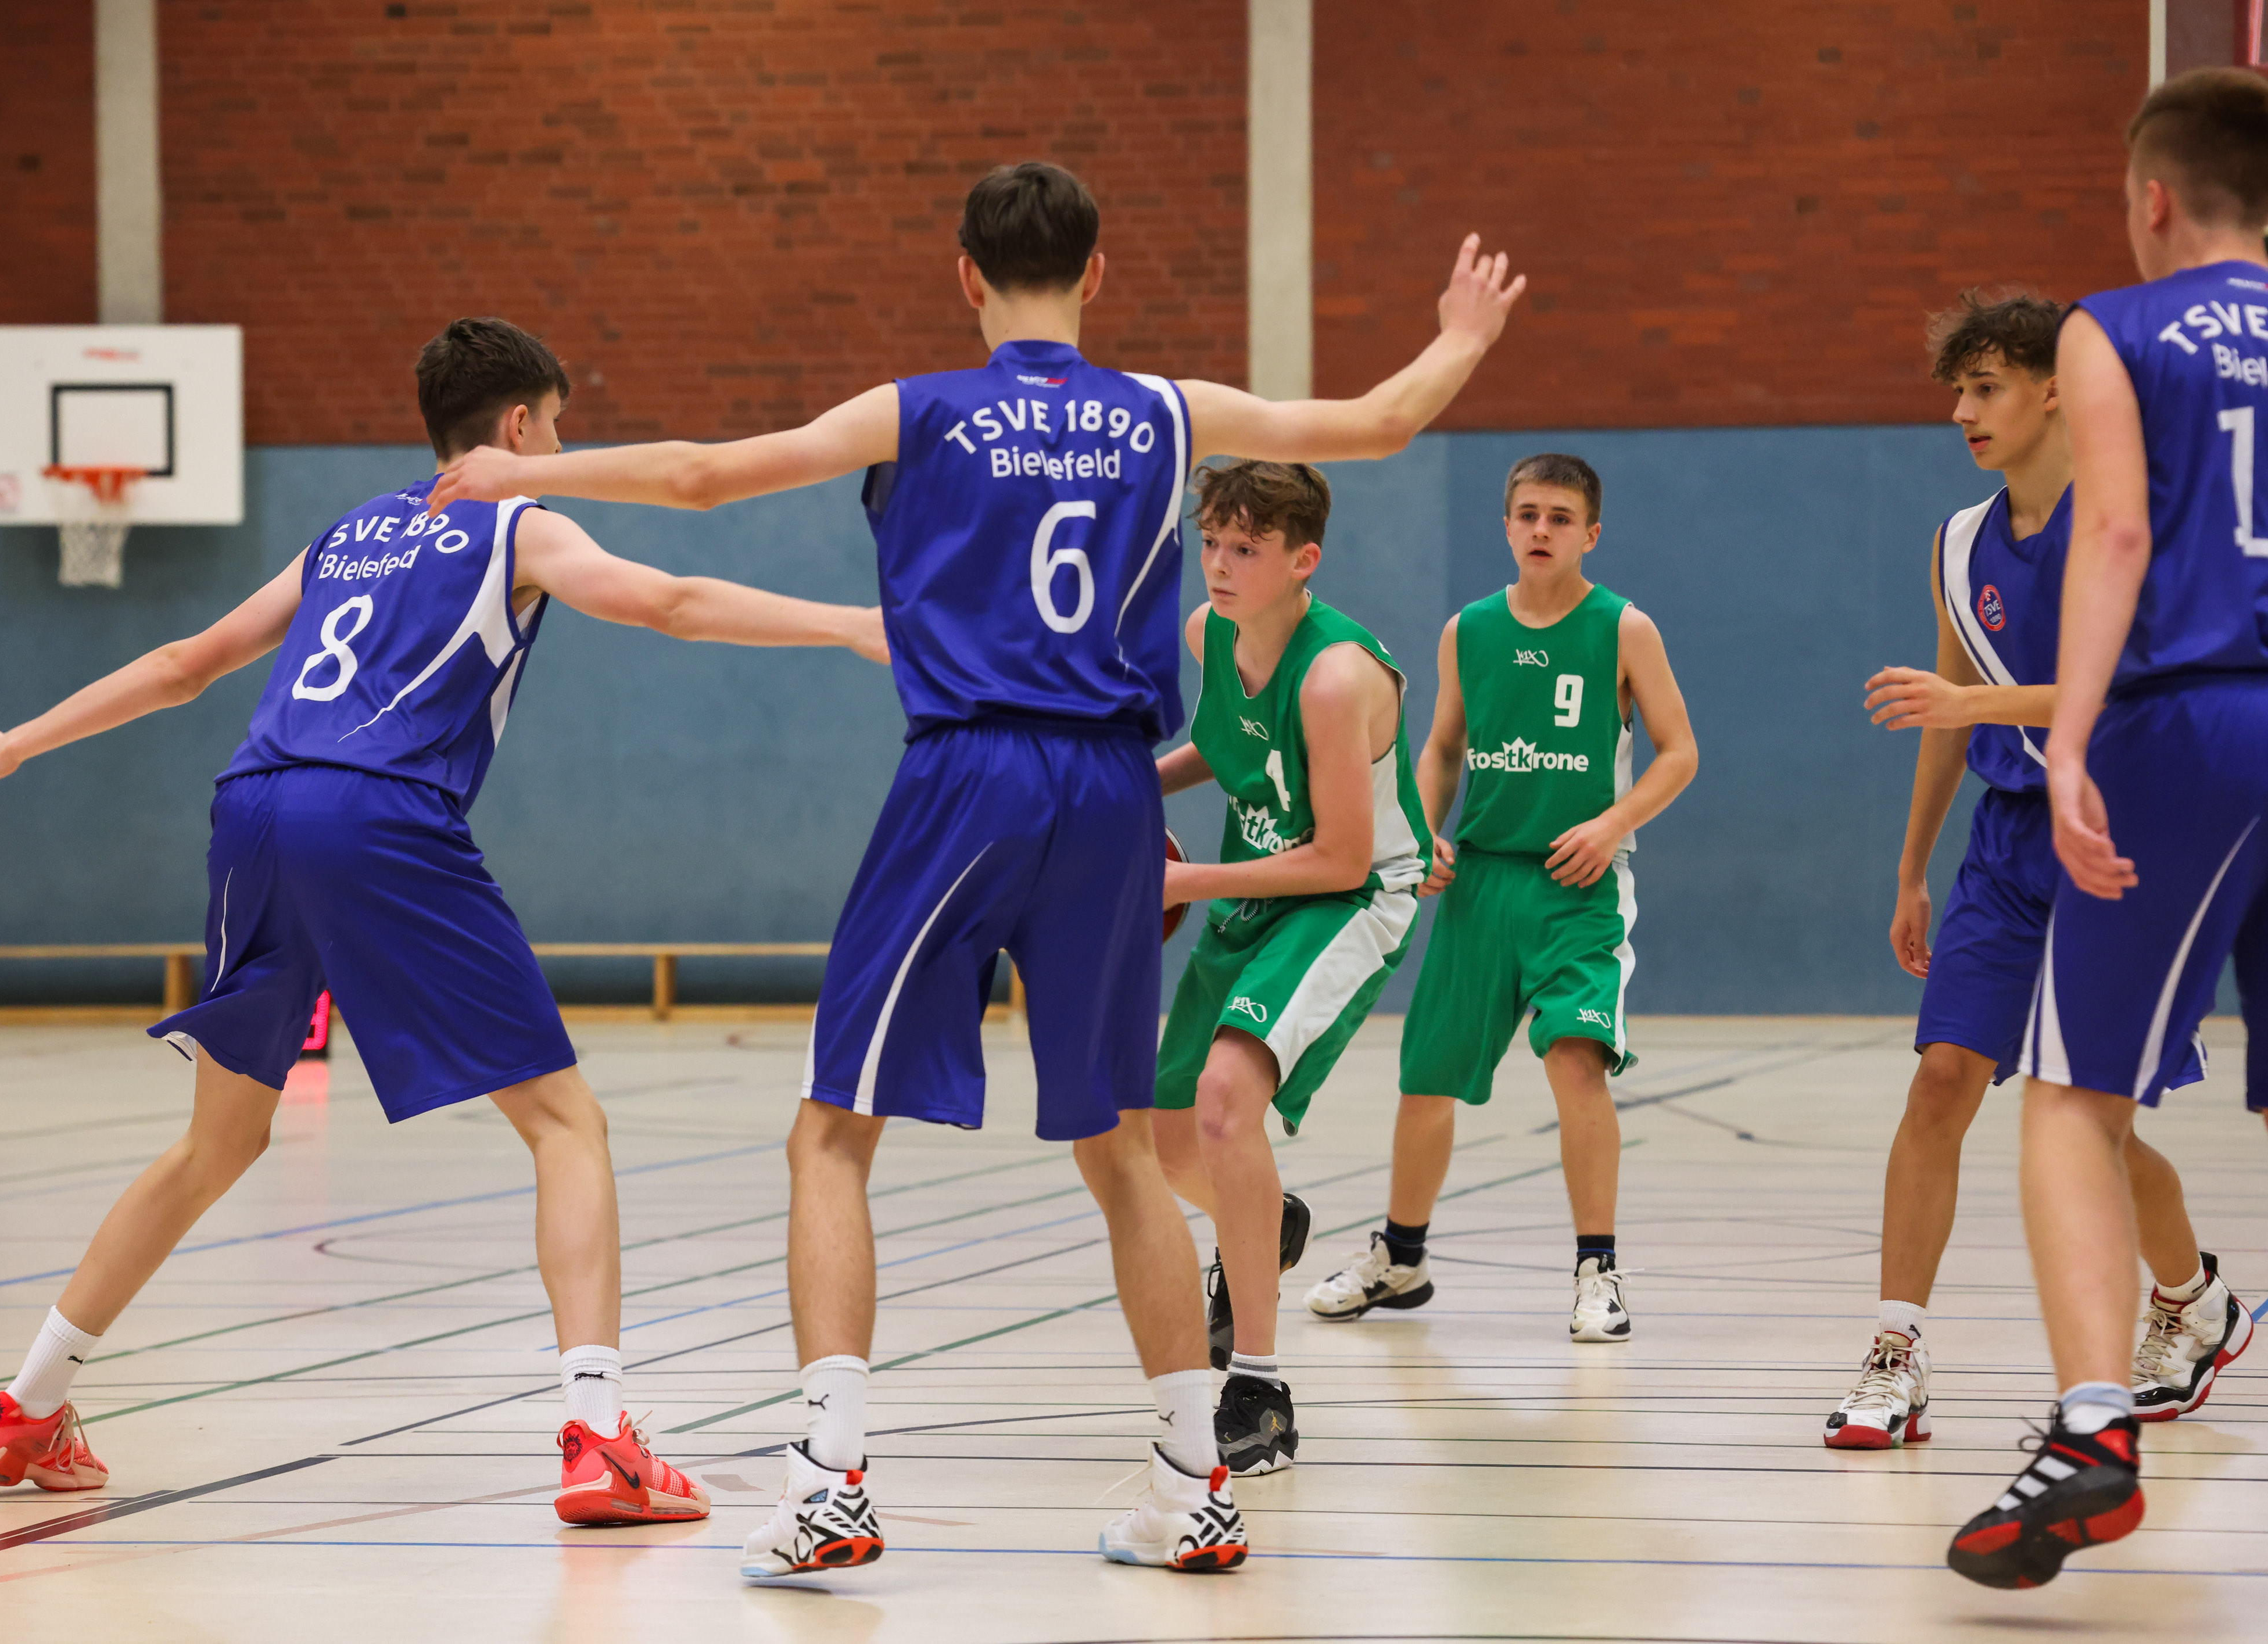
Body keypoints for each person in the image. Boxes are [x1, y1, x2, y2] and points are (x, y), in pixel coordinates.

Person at [428, 161, 1525, 1577]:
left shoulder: (921, 407)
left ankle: (831, 1480)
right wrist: (1462, 335)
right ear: (1098, 273)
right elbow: (1378, 422)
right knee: (1118, 1145)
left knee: (833, 1132)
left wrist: (528, 472)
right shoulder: (1165, 409)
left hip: (972, 773)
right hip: (1113, 787)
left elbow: (702, 474)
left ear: (965, 276)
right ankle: (1193, 1486)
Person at [0, 317, 886, 1530]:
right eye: (556, 425)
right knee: (565, 1122)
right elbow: (670, 602)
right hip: (376, 813)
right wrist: (848, 623)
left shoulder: (347, 533)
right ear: (517, 425)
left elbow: (184, 662)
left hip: (253, 809)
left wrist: (18, 742)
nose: (558, 445)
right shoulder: (522, 522)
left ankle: (23, 1404)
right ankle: (598, 1438)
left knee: (216, 1143)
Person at [1946, 68, 2268, 1589]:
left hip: (2194, 718)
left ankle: (2092, 1427)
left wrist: (2065, 736)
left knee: (2074, 1092)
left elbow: (2120, 531)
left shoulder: (2114, 326)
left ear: (2152, 198)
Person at [1836, 291, 2245, 1453]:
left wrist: (1971, 703)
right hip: (2009, 843)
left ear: (2054, 391)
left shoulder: (2139, 521)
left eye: (1988, 388)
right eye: (1957, 392)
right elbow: (1945, 715)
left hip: (2122, 834)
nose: (1963, 412)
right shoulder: (1959, 544)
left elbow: (2124, 690)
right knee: (1941, 1079)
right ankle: (1895, 1347)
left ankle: (2190, 1297)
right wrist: (1913, 867)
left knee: (2090, 1119)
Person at [1305, 454, 1697, 1345]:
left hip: (1577, 885)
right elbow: (1443, 747)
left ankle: (1596, 1269)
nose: (1540, 529)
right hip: (1480, 880)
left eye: (1559, 516)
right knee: (1427, 1076)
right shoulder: (1468, 630)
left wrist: (1612, 822)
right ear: (1507, 524)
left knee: (1576, 1059)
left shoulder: (1623, 627)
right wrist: (1418, 831)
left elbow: (1679, 751)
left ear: (1590, 532)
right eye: (1526, 513)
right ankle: (1401, 1257)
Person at [1149, 459, 1432, 1476]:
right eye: (1210, 543)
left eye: (1246, 548)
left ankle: (1260, 1390)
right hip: (1260, 885)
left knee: (1228, 1099)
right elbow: (1228, 747)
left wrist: (1185, 882)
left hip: (1351, 892)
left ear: (1303, 559)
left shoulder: (1335, 676)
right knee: (1163, 1136)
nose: (1219, 565)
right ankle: (1264, 1220)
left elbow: (1342, 858)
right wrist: (1128, 785)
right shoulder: (1210, 632)